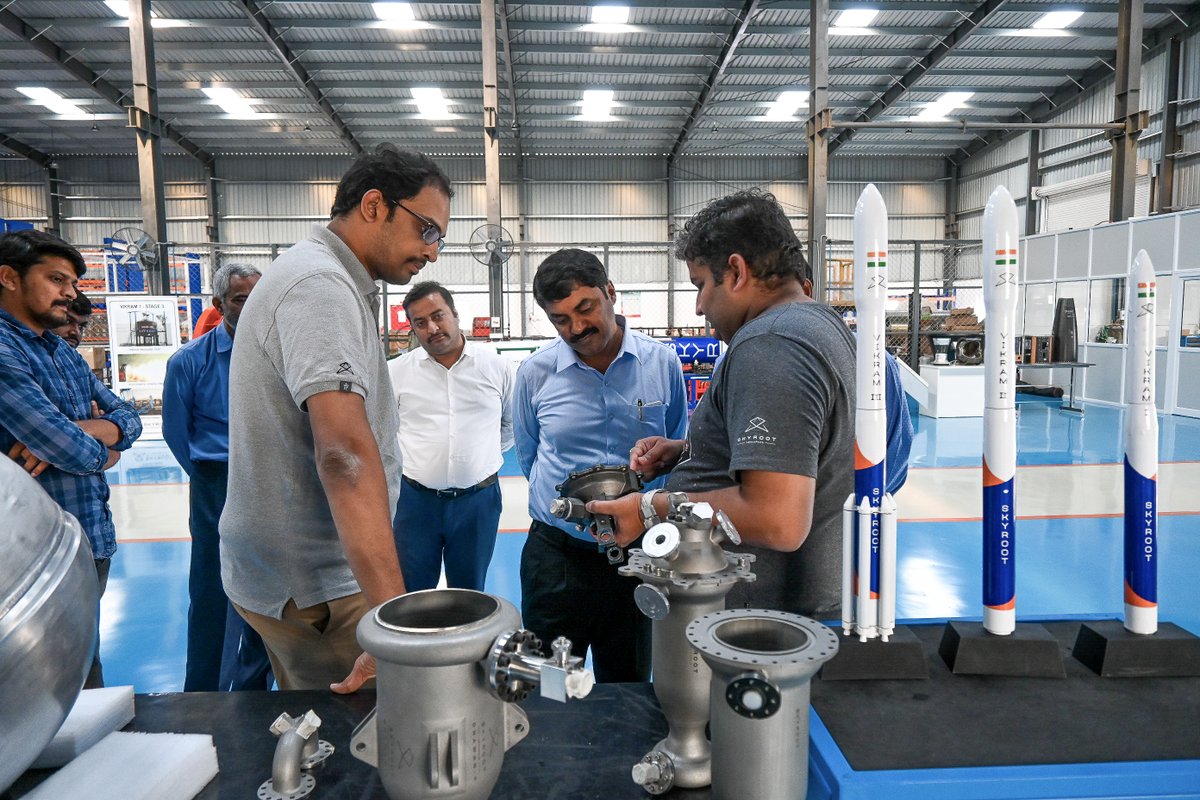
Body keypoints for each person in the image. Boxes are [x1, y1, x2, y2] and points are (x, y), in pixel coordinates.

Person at [220, 145, 452, 692]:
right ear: (374, 206)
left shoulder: (322, 276)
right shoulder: (320, 287)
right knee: (360, 726)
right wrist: (394, 623)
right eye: (426, 230)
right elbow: (344, 455)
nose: (432, 251)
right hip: (319, 582)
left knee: (314, 715)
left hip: (300, 570)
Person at [590, 190, 857, 619]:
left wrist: (648, 508)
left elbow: (777, 518)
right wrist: (693, 450)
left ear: (735, 271)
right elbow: (807, 451)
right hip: (794, 606)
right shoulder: (822, 325)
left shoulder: (770, 344)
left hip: (753, 618)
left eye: (700, 285)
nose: (699, 306)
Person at [513, 248, 687, 682]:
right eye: (559, 319)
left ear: (610, 291)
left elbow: (678, 448)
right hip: (557, 557)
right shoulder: (535, 373)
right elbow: (528, 454)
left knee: (628, 681)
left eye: (585, 308)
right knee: (551, 682)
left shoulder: (661, 363)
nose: (575, 328)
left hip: (639, 554)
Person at [0, 229, 142, 688]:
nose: (70, 293)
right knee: (38, 685)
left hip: (88, 539)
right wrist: (105, 450)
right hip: (26, 557)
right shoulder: (4, 350)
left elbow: (129, 417)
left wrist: (89, 432)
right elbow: (70, 450)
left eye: (74, 282)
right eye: (57, 279)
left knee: (84, 669)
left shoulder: (61, 351)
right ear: (9, 278)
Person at [163, 262, 273, 692]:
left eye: (258, 297)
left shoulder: (278, 355)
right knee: (212, 591)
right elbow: (176, 432)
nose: (251, 306)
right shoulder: (189, 361)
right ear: (218, 304)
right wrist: (210, 477)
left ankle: (255, 690)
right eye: (241, 299)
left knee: (269, 591)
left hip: (270, 480)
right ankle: (203, 695)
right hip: (215, 482)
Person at [388, 281, 515, 592]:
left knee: (469, 594)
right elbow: (385, 432)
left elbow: (511, 425)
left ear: (455, 314)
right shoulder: (396, 373)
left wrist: (476, 459)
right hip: (415, 503)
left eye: (438, 316)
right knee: (412, 594)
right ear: (413, 328)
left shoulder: (498, 368)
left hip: (478, 502)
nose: (432, 328)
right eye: (420, 323)